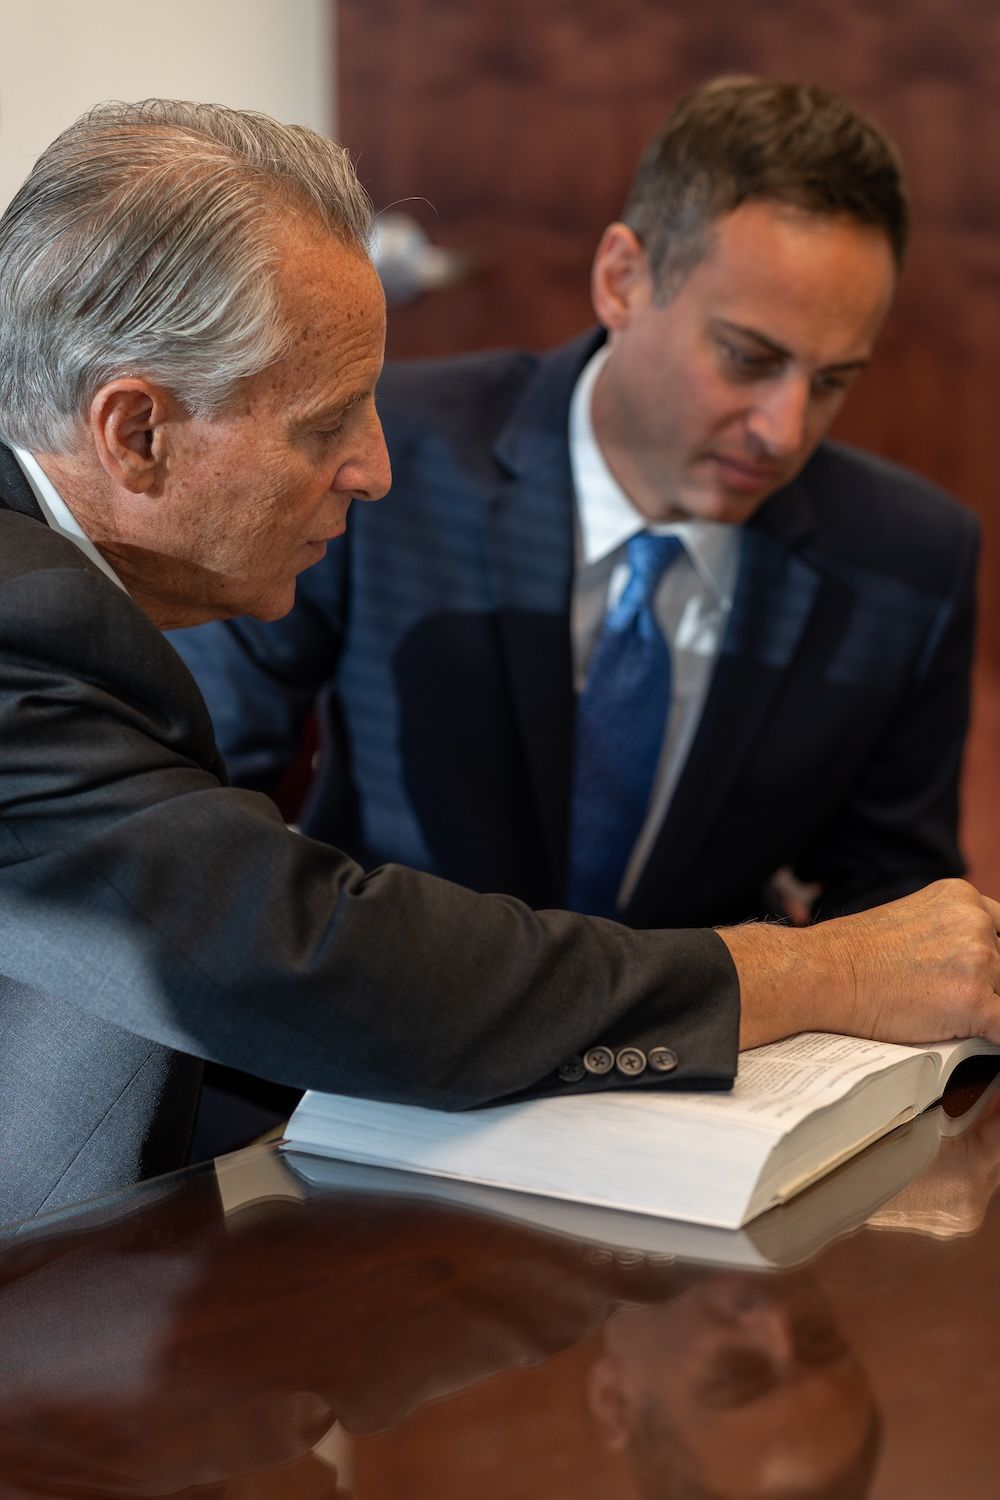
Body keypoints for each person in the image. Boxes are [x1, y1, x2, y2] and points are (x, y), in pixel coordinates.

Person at [0, 98, 997, 1229]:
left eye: (830, 379)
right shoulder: (25, 625)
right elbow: (279, 941)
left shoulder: (907, 553)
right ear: (135, 433)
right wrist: (816, 971)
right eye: (326, 426)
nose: (371, 471)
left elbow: (901, 915)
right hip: (310, 1160)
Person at [176, 76, 978, 931]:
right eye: (747, 358)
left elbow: (893, 897)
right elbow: (202, 794)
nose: (784, 431)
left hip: (717, 1044)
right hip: (398, 1013)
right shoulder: (380, 465)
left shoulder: (908, 559)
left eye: (832, 382)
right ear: (622, 279)